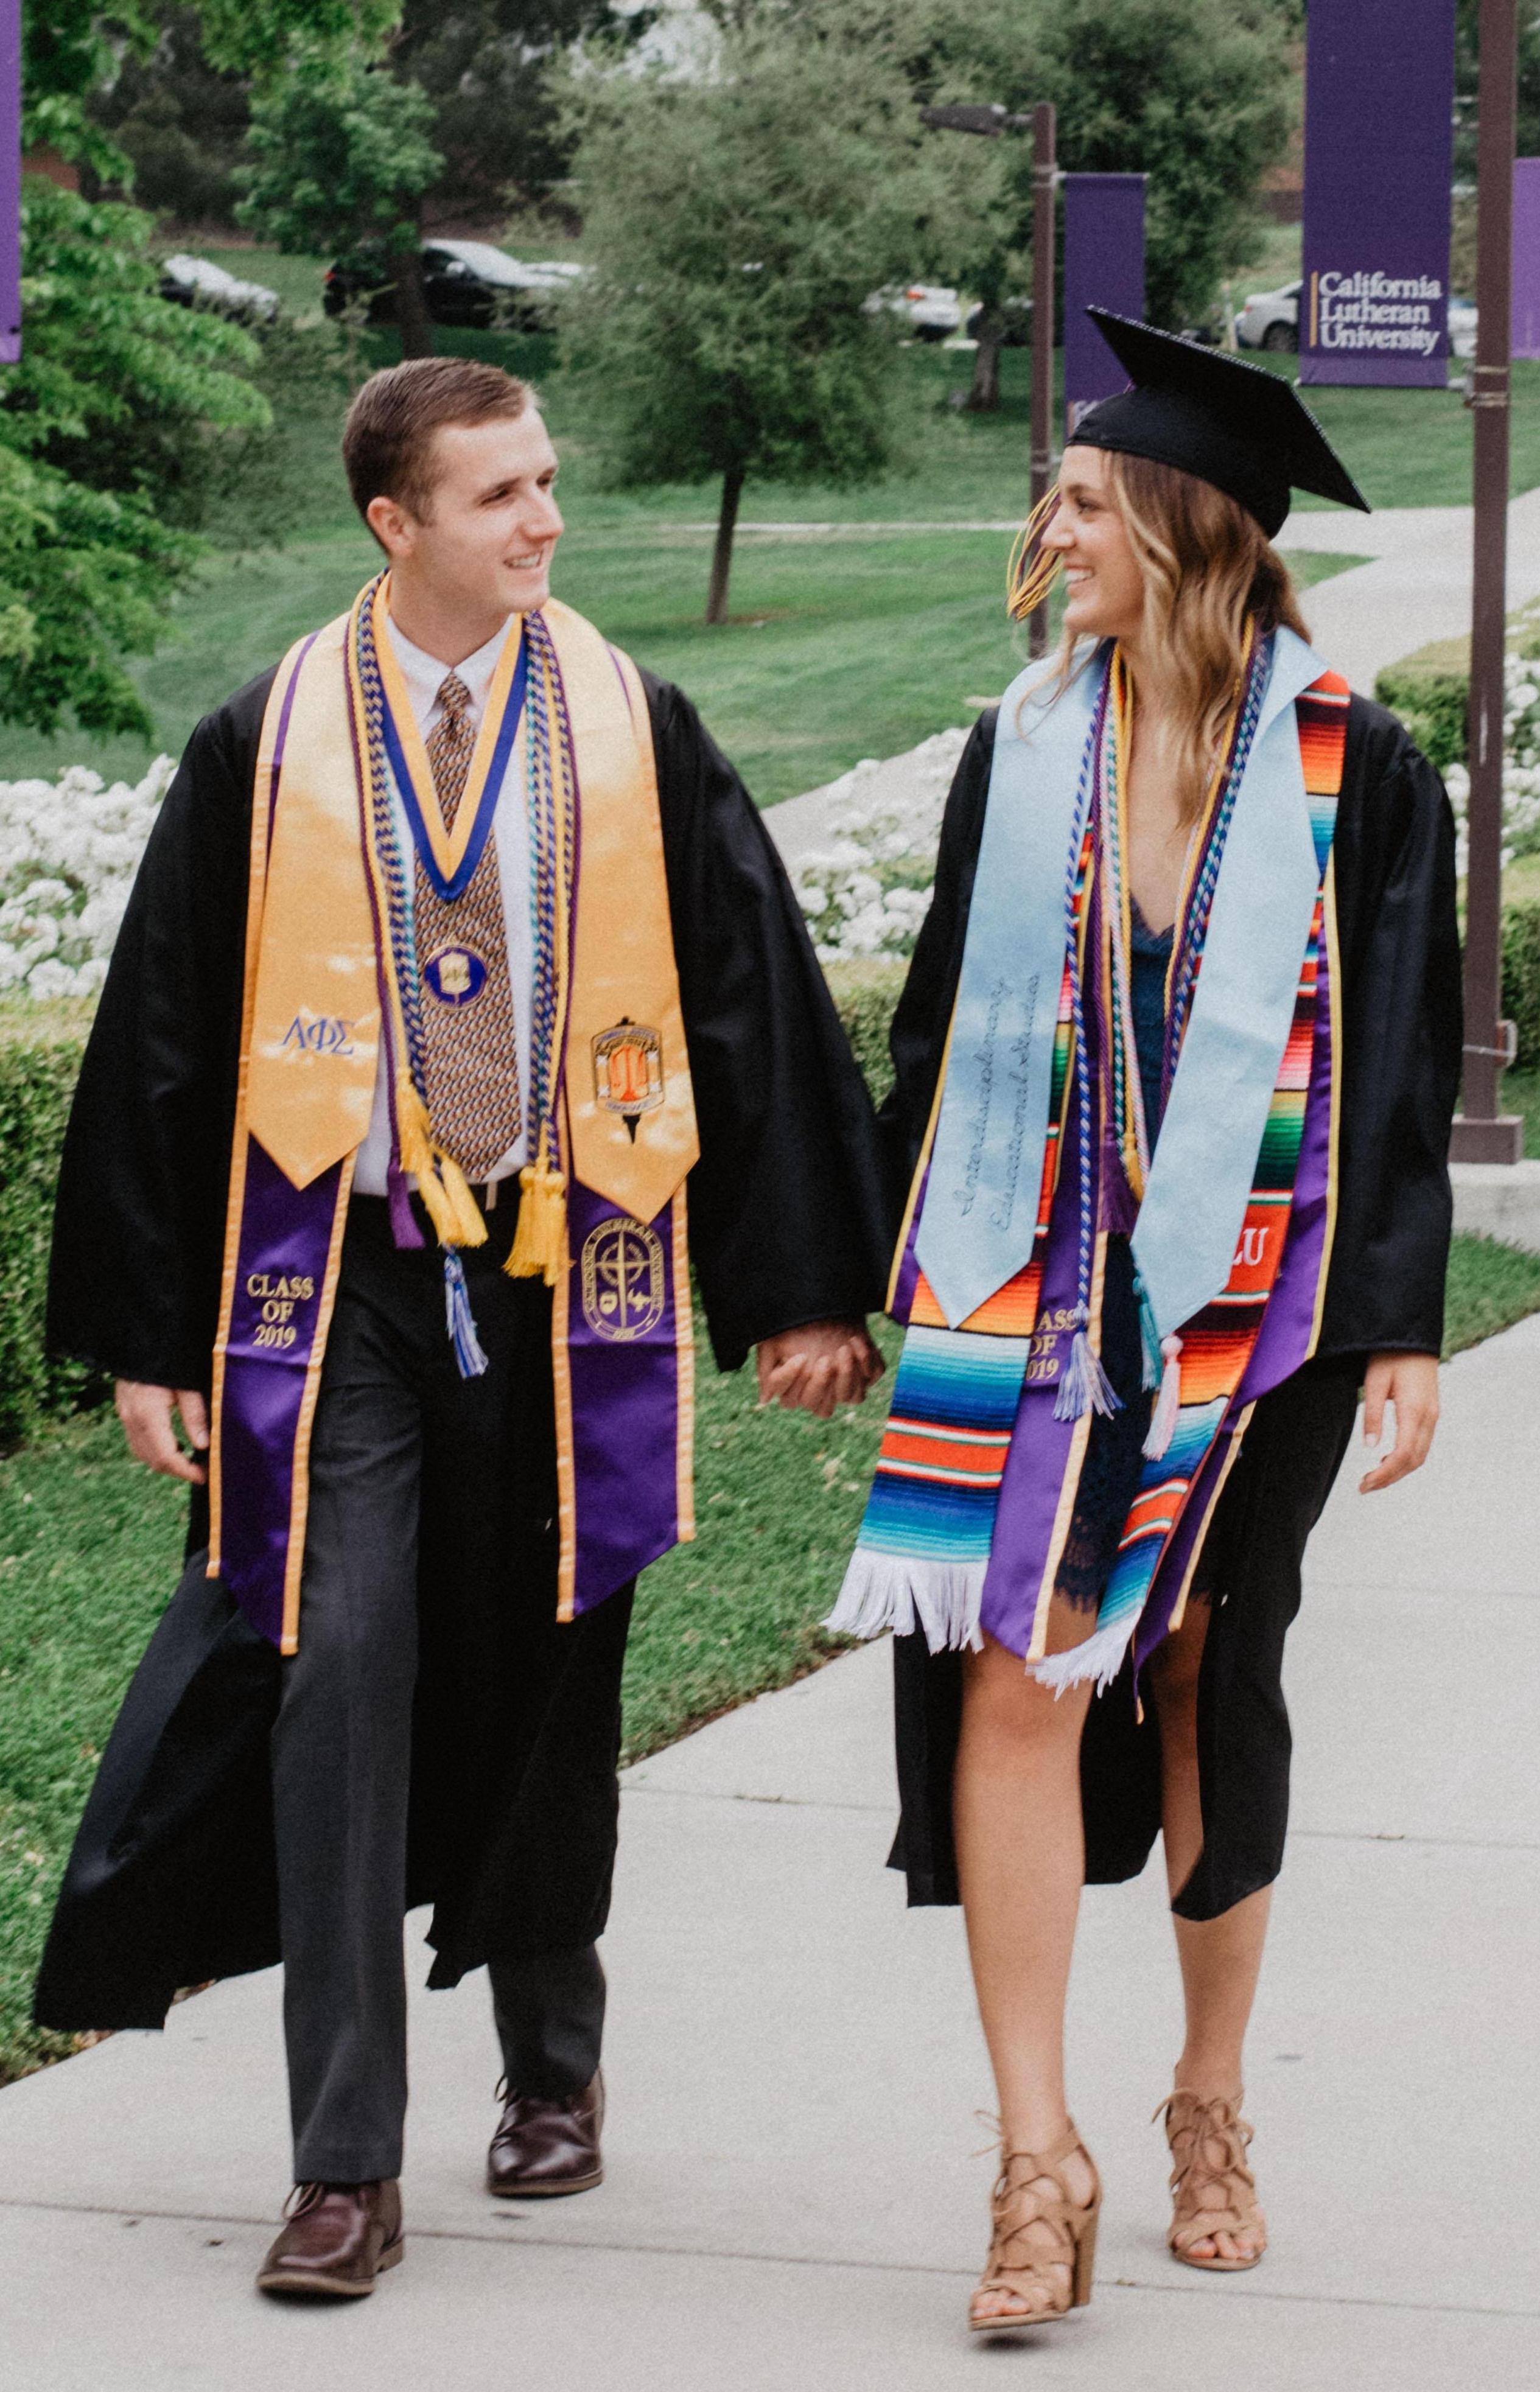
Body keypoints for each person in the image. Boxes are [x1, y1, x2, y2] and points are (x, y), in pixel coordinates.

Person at [34, 356, 887, 2299]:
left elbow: (745, 987)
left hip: (559, 1262)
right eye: (499, 493)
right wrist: (152, 1329)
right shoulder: (270, 743)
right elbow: (165, 1036)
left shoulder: (623, 723)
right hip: (333, 1293)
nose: (544, 521)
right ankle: (344, 2159)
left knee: (551, 1647)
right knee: (337, 1670)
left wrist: (797, 1285)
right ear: (391, 524)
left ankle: (552, 2062)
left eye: (549, 482)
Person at [827, 312, 1462, 2332]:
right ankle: (1037, 2159)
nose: (1053, 529)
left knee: (1199, 1662)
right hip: (1029, 1288)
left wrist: (1396, 1323)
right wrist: (861, 1273)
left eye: (1087, 502)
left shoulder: (1361, 767)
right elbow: (937, 1023)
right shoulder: (1021, 748)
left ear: (1187, 531)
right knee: (1019, 1670)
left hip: (1254, 1310)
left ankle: (1205, 2096)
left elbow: (1402, 1071)